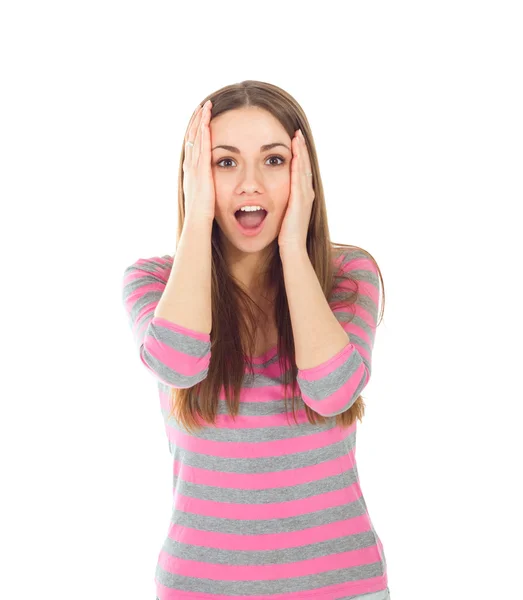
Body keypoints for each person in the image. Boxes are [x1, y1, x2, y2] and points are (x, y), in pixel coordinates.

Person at [122, 80, 390, 600]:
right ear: (195, 176)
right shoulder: (152, 281)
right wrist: (198, 216)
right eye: (224, 163)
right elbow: (177, 363)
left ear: (304, 175)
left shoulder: (350, 276)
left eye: (273, 161)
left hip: (342, 586)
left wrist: (294, 244)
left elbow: (333, 391)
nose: (250, 184)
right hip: (201, 587)